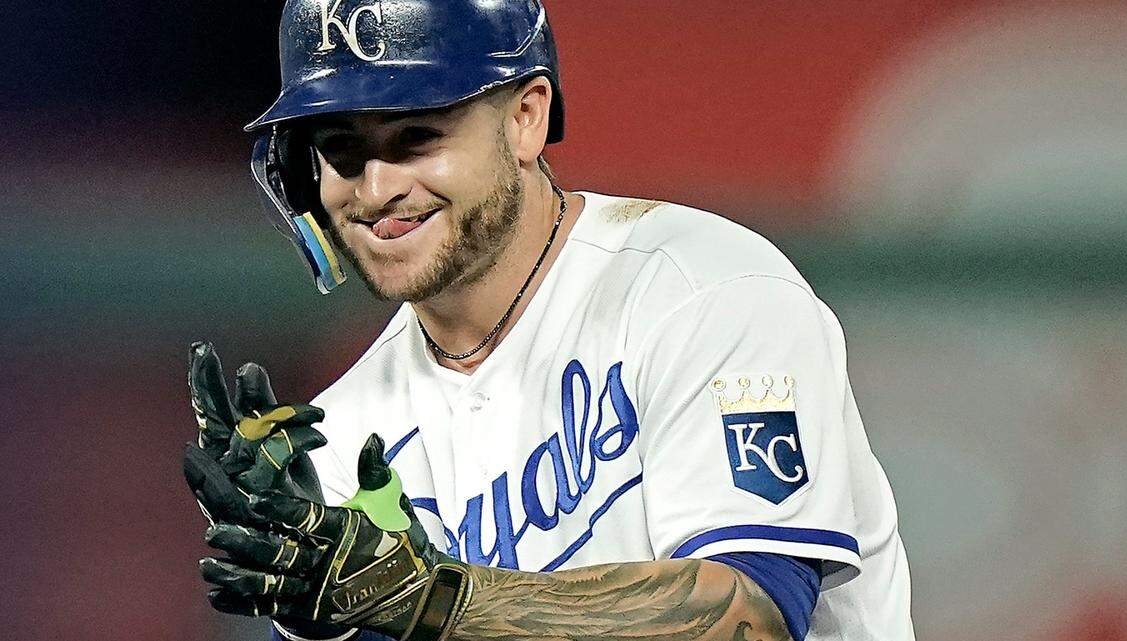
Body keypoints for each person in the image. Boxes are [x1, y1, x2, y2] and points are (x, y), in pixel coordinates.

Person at [182, 1, 915, 640]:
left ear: (527, 118)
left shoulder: (706, 292)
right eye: (341, 150)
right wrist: (326, 621)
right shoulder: (340, 436)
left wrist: (434, 602)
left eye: (416, 138)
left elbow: (747, 618)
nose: (376, 188)